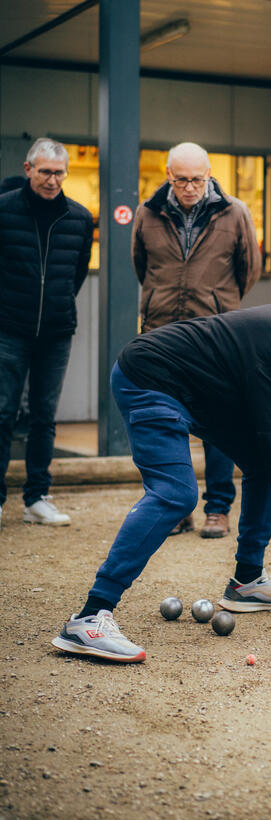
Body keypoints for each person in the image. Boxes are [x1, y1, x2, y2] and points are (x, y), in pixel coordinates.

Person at [51, 304, 271, 662]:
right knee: (175, 494)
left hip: (202, 390)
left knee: (266, 463)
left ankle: (246, 582)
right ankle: (90, 616)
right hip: (150, 376)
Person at [132, 142, 262, 540]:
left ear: (209, 176)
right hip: (162, 333)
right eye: (182, 179)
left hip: (215, 336)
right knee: (165, 422)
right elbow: (141, 264)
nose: (190, 187)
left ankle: (218, 508)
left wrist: (221, 304)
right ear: (168, 176)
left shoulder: (235, 212)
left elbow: (249, 271)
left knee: (219, 423)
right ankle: (174, 507)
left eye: (198, 180)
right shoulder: (148, 213)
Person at [0, 139, 93, 531]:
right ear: (28, 169)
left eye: (59, 172)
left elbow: (76, 273)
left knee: (44, 417)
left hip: (55, 332)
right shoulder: (4, 211)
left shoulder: (80, 217)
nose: (52, 180)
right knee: (2, 412)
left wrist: (52, 305)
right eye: (45, 172)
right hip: (8, 329)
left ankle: (36, 498)